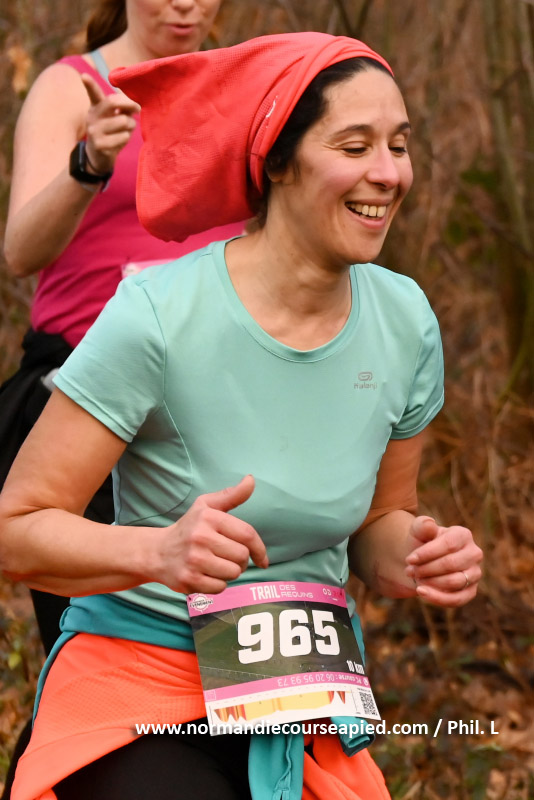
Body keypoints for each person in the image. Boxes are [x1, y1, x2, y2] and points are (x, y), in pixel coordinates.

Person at [0, 32, 483, 800]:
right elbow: (16, 528)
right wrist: (158, 552)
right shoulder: (159, 314)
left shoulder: (406, 323)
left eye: (398, 145)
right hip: (142, 684)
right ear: (278, 162)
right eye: (355, 146)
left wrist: (417, 555)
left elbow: (379, 526)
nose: (389, 173)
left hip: (301, 699)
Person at [1, 0, 240, 656]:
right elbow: (21, 251)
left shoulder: (240, 85)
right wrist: (89, 164)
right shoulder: (71, 86)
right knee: (102, 643)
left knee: (226, 637)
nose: (186, 3)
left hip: (221, 397)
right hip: (90, 395)